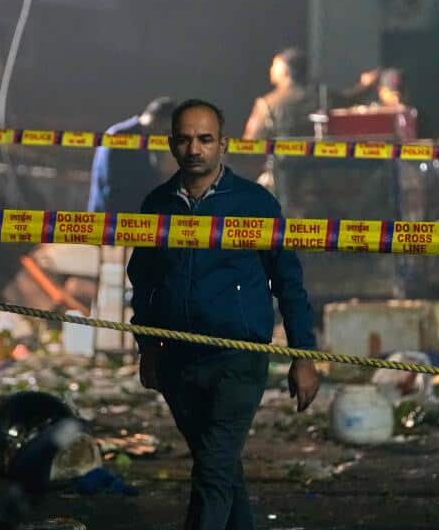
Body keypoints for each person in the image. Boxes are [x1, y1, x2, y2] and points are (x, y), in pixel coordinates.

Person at [128, 99, 321, 530]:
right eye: (185, 139)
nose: (194, 148)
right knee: (222, 471)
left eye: (205, 139)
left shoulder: (255, 203)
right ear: (171, 145)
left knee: (212, 473)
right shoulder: (157, 205)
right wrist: (148, 348)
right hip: (178, 361)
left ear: (224, 145)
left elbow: (289, 283)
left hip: (238, 359)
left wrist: (303, 355)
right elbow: (142, 279)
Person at [87, 97, 175, 213]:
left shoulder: (137, 137)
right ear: (160, 122)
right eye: (168, 130)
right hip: (114, 220)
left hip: (119, 219)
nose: (167, 135)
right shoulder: (122, 137)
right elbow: (121, 189)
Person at [242, 47, 315, 142]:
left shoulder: (267, 104)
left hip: (281, 156)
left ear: (285, 70)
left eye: (274, 65)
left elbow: (250, 142)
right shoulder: (325, 98)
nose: (271, 69)